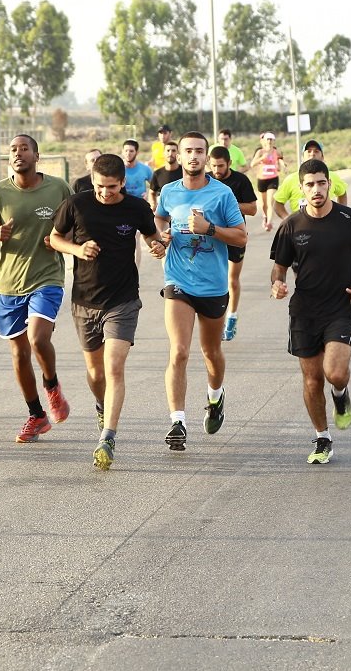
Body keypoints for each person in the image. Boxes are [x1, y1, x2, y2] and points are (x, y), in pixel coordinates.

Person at [49, 153, 166, 470]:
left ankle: (107, 438)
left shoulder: (137, 207)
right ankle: (102, 405)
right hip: (85, 301)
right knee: (96, 373)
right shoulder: (78, 203)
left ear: (123, 182)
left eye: (111, 187)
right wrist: (77, 249)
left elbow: (153, 237)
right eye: (100, 186)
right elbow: (55, 238)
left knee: (114, 367)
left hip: (123, 299)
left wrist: (158, 247)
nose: (105, 193)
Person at [270, 158, 351, 465]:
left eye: (322, 183)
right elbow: (278, 269)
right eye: (310, 184)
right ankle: (322, 437)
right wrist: (278, 285)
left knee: (333, 372)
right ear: (301, 188)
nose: (317, 190)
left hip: (342, 307)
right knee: (310, 380)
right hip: (304, 311)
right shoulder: (291, 226)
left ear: (330, 184)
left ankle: (340, 392)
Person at [0, 134, 74, 443]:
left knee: (38, 338)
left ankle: (52, 387)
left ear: (37, 155)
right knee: (19, 355)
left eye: (24, 149)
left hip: (47, 277)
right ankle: (36, 415)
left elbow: (74, 223)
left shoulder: (58, 188)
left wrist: (63, 241)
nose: (18, 154)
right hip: (8, 284)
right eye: (13, 150)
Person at [154, 131, 247, 452]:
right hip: (178, 280)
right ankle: (177, 421)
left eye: (199, 151)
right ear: (178, 156)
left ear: (207, 157)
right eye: (188, 151)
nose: (193, 157)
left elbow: (241, 236)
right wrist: (158, 239)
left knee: (211, 353)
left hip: (213, 285)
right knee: (179, 350)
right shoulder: (168, 191)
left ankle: (215, 396)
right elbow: (159, 219)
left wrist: (209, 228)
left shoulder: (222, 195)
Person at [208, 145, 257, 341]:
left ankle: (232, 316)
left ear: (229, 163)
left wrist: (229, 204)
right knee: (215, 280)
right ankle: (216, 319)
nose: (217, 170)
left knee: (231, 279)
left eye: (220, 166)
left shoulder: (240, 181)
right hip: (212, 237)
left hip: (235, 236)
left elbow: (253, 209)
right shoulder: (207, 180)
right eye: (213, 166)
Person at [274, 140, 349, 219]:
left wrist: (340, 214)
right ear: (302, 157)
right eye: (309, 151)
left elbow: (342, 193)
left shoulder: (333, 177)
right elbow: (278, 204)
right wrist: (289, 221)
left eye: (316, 151)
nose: (312, 154)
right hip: (302, 227)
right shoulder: (291, 179)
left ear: (322, 157)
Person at [251, 131, 283, 231]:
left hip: (273, 178)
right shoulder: (260, 152)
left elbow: (280, 161)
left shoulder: (277, 152)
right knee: (264, 204)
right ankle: (265, 216)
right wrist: (261, 158)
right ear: (264, 141)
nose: (269, 141)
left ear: (274, 141)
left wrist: (281, 166)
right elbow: (252, 164)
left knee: (270, 202)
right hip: (262, 179)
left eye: (271, 139)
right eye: (267, 139)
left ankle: (269, 222)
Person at [148, 139, 182, 210]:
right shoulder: (157, 173)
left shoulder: (185, 172)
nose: (170, 153)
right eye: (168, 150)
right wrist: (153, 204)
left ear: (178, 154)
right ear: (164, 153)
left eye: (173, 151)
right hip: (163, 213)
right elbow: (151, 193)